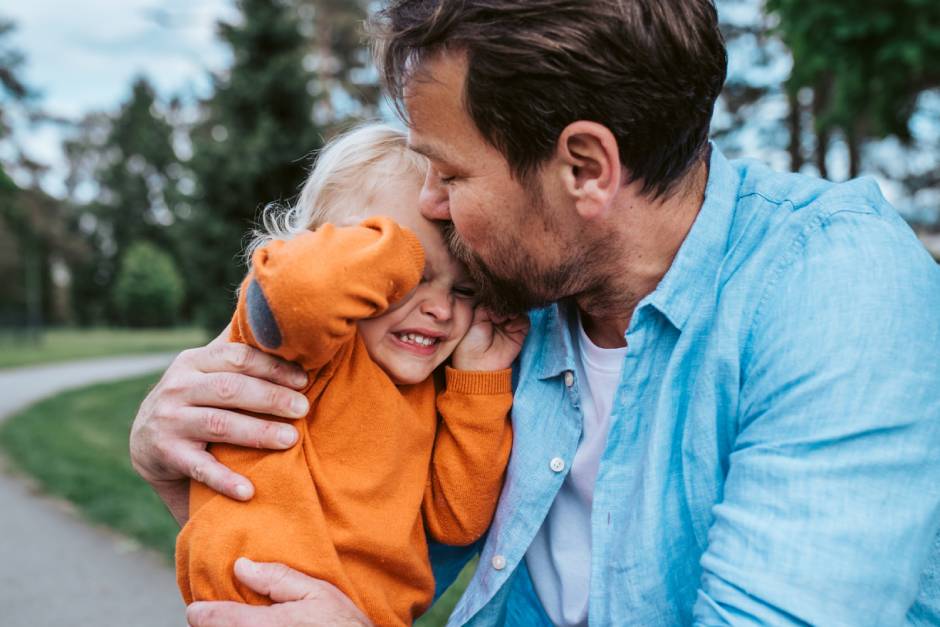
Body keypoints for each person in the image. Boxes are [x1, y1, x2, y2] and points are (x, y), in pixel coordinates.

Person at [131, 1, 940, 625]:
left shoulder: (834, 285)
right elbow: (386, 520)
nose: (428, 202)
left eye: (451, 173)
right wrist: (192, 453)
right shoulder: (512, 303)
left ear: (584, 167)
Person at [173, 124, 526, 625]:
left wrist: (479, 381)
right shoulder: (303, 345)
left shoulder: (429, 392)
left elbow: (458, 520)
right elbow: (297, 291)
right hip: (260, 608)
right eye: (408, 277)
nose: (440, 310)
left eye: (465, 291)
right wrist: (402, 247)